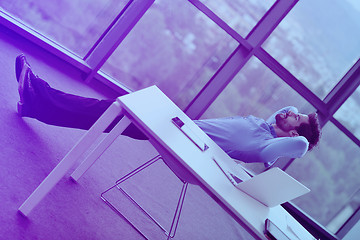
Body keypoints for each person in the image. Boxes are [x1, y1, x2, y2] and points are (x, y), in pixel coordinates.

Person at [15, 54, 321, 167]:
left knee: (114, 111)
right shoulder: (264, 127)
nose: (291, 111)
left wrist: (305, 132)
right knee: (111, 112)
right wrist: (296, 115)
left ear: (294, 133)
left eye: (296, 117)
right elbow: (283, 114)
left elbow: (298, 144)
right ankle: (37, 102)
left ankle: (38, 95)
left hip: (185, 147)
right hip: (180, 129)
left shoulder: (268, 146)